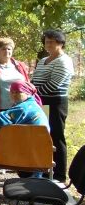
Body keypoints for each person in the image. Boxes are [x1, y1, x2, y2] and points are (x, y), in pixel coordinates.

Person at [31, 29, 74, 182]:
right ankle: (44, 171)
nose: (48, 44)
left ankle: (59, 175)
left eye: (52, 42)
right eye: (46, 42)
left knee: (57, 136)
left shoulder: (64, 61)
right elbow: (34, 80)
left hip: (56, 103)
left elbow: (53, 85)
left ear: (60, 43)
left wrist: (33, 93)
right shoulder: (43, 60)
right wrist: (30, 90)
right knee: (43, 136)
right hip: (41, 102)